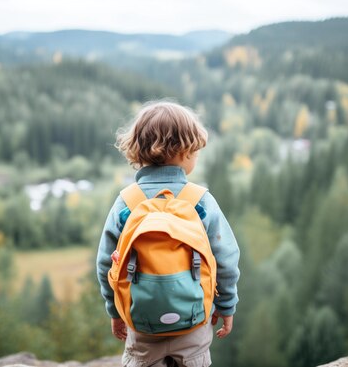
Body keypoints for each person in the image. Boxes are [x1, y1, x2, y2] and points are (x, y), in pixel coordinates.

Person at [96, 100, 240, 367]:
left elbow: (107, 263)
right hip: (194, 321)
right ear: (183, 151)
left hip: (141, 323)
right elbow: (226, 259)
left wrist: (115, 310)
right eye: (195, 151)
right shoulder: (200, 201)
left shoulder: (127, 202)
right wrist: (226, 305)